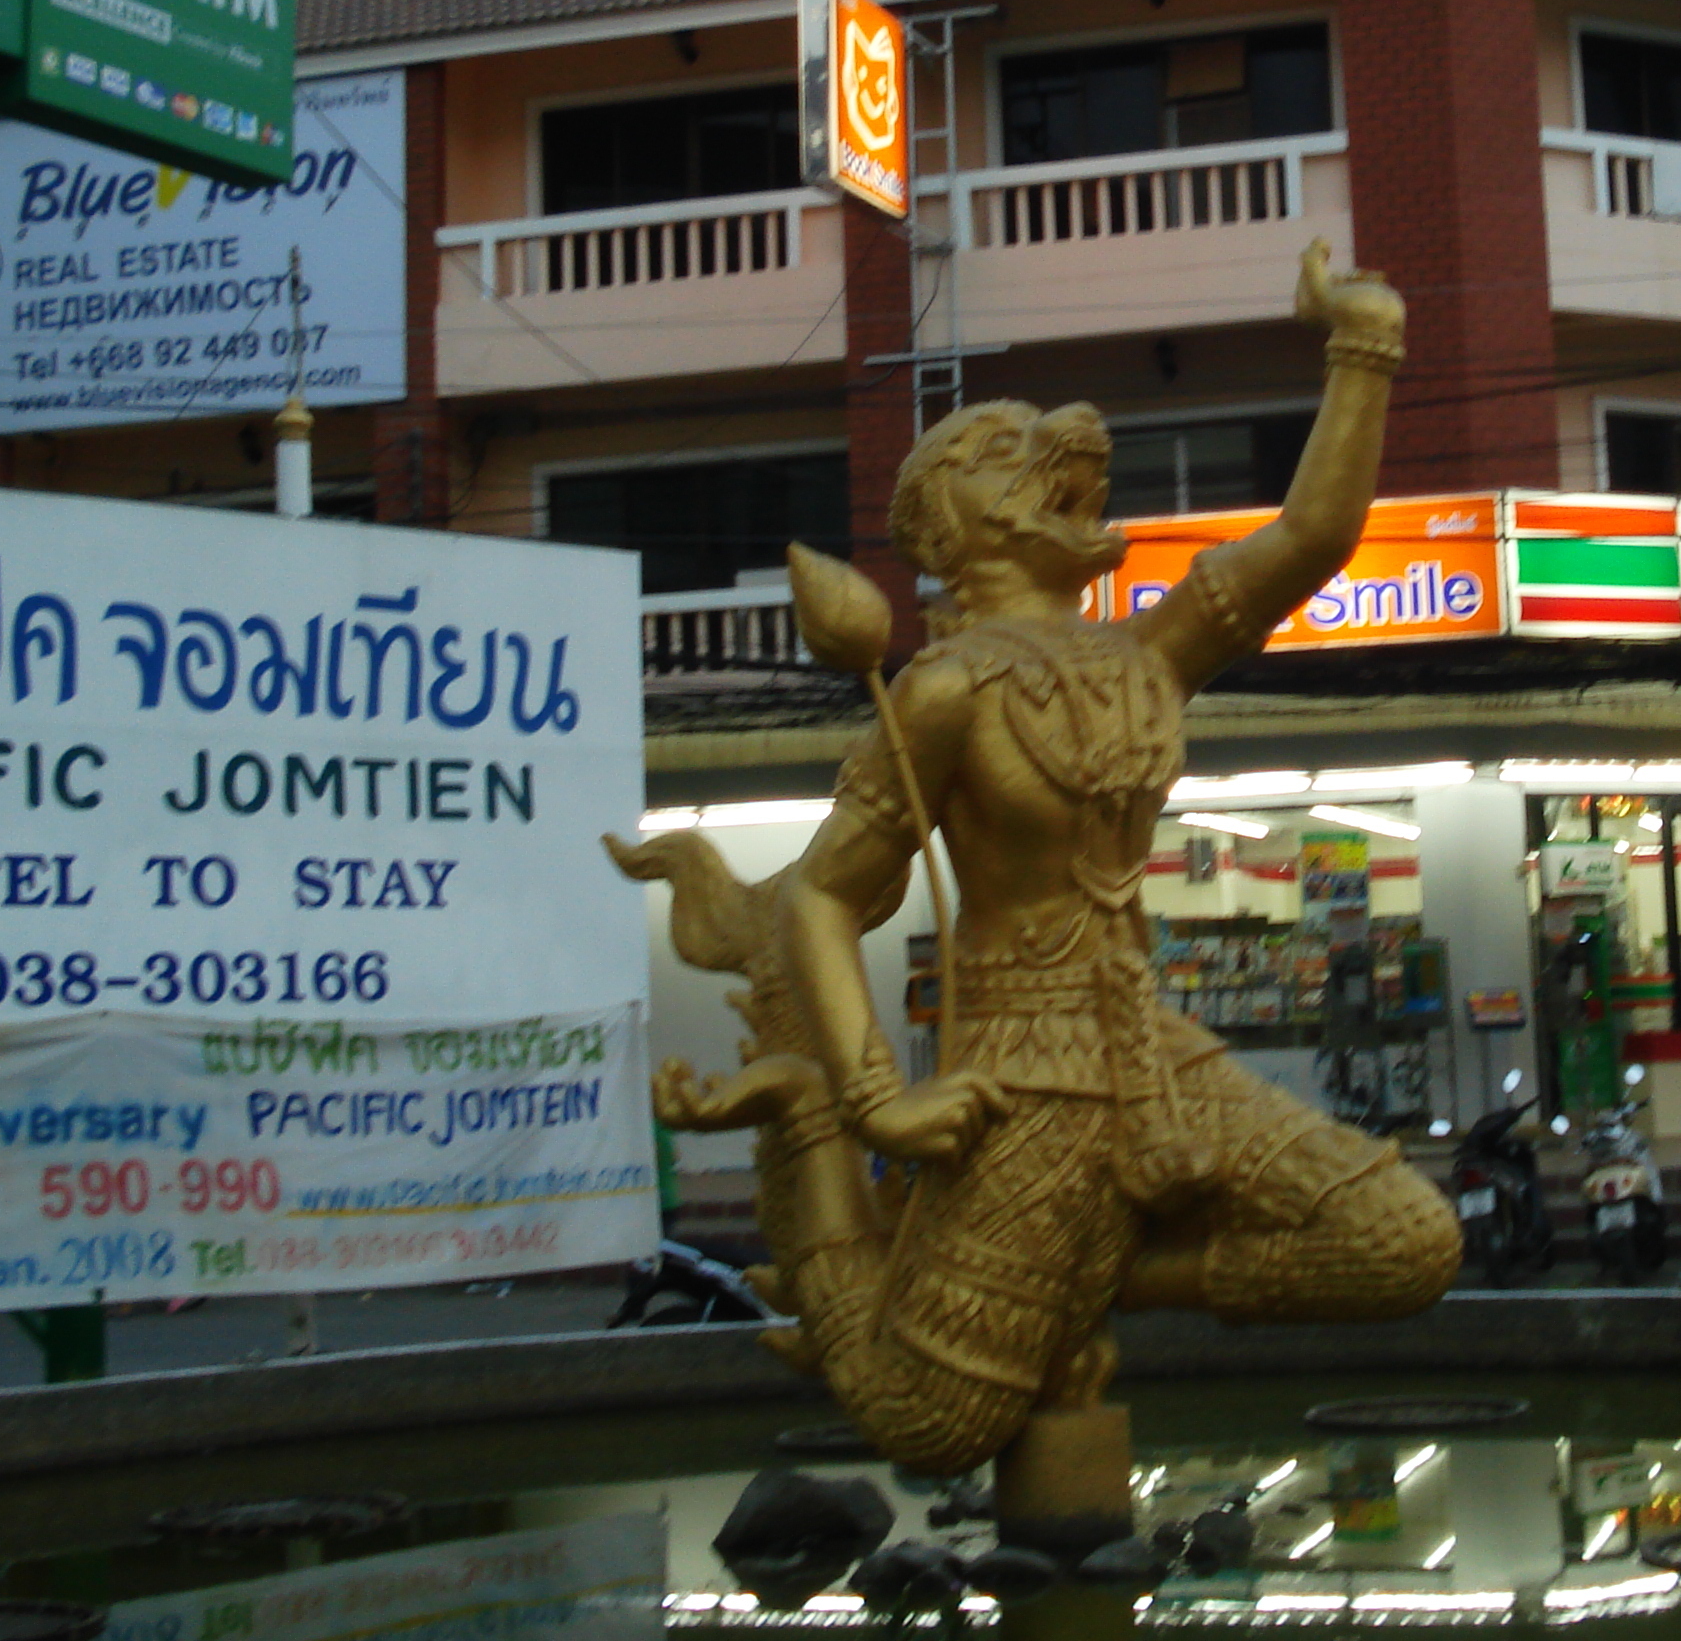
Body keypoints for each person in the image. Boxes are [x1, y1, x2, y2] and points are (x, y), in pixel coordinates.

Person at [615, 242, 1461, 1477]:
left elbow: (1316, 534)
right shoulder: (941, 690)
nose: (1067, 466)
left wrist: (1362, 343)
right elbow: (820, 899)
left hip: (1156, 1054)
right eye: (1012, 454)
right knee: (927, 1425)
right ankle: (801, 1128)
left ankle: (1100, 1270)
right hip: (1021, 1076)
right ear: (954, 519)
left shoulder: (1144, 655)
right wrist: (868, 1102)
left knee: (1403, 1244)